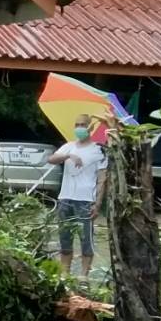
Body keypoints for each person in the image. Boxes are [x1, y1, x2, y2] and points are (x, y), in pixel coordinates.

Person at [47, 114, 109, 281]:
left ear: (90, 127)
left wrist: (98, 203)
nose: (79, 128)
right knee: (64, 237)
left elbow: (102, 177)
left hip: (86, 199)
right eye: (77, 124)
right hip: (65, 197)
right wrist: (68, 156)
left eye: (83, 124)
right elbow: (51, 159)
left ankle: (83, 276)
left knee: (85, 238)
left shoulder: (99, 150)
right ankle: (65, 275)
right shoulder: (69, 146)